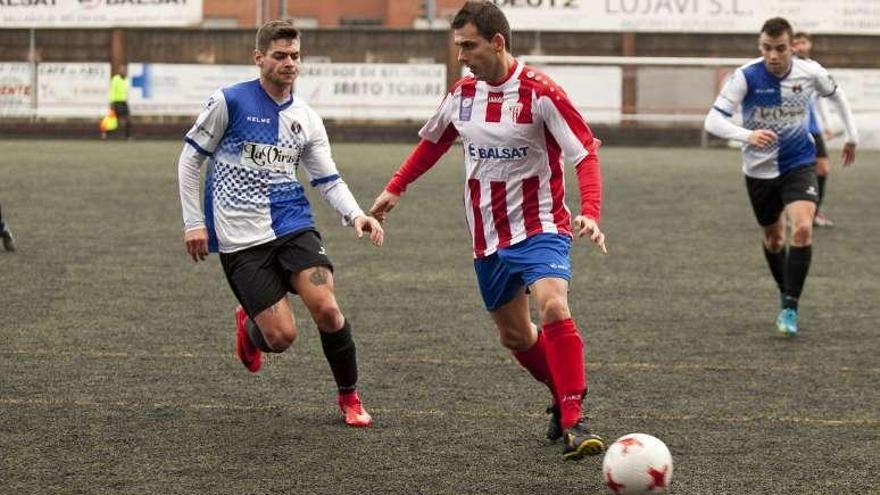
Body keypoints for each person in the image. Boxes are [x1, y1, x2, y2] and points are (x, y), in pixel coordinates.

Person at [370, 0, 608, 460]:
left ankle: (576, 421)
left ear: (497, 43)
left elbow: (584, 154)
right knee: (516, 336)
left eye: (468, 46)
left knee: (554, 305)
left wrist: (591, 211)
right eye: (458, 46)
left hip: (541, 225)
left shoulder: (542, 93)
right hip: (487, 235)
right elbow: (433, 143)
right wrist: (395, 188)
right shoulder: (461, 94)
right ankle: (563, 394)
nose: (460, 55)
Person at [176, 20, 384, 427]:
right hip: (239, 235)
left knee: (327, 308)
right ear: (259, 58)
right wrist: (193, 223)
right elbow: (190, 159)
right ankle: (250, 323)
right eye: (280, 56)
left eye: (295, 56)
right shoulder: (229, 102)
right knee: (281, 338)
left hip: (292, 222)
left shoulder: (306, 118)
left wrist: (357, 214)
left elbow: (327, 178)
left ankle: (350, 397)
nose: (290, 63)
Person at [704, 17, 858, 337]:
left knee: (802, 228)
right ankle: (785, 290)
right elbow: (713, 122)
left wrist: (852, 136)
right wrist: (746, 135)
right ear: (761, 47)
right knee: (774, 238)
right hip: (759, 170)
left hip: (798, 161)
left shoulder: (810, 71)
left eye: (780, 49)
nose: (773, 56)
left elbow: (837, 95)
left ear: (792, 47)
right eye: (767, 48)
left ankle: (790, 306)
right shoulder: (745, 76)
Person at [793, 31, 835, 227]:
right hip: (792, 129)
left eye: (803, 42)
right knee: (790, 170)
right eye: (796, 43)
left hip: (813, 128)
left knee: (823, 168)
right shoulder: (788, 68)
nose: (800, 46)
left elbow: (822, 100)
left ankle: (814, 213)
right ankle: (789, 212)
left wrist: (827, 125)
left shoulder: (816, 69)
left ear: (809, 45)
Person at [103, 65, 132, 140]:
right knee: (112, 120)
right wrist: (112, 102)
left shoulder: (127, 80)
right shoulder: (115, 79)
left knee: (128, 119)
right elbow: (112, 91)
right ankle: (105, 134)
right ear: (119, 71)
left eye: (124, 70)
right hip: (116, 102)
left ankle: (128, 136)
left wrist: (127, 101)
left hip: (124, 102)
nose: (123, 71)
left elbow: (126, 92)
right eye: (121, 70)